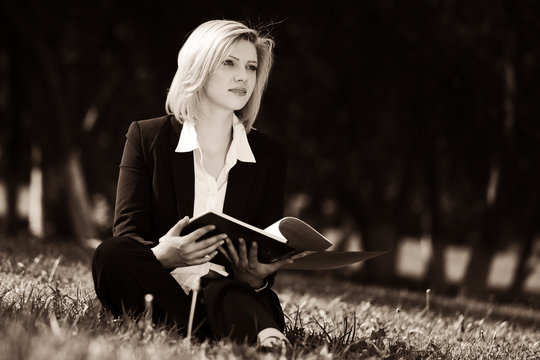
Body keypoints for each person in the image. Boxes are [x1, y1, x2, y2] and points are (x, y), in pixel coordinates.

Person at [91, 19, 293, 349]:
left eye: (251, 67)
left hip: (230, 290)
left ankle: (229, 332)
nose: (243, 76)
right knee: (110, 255)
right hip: (159, 283)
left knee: (222, 290)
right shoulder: (147, 136)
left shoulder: (270, 155)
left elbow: (265, 243)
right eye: (229, 62)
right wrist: (165, 256)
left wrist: (257, 276)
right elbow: (129, 232)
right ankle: (240, 334)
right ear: (198, 67)